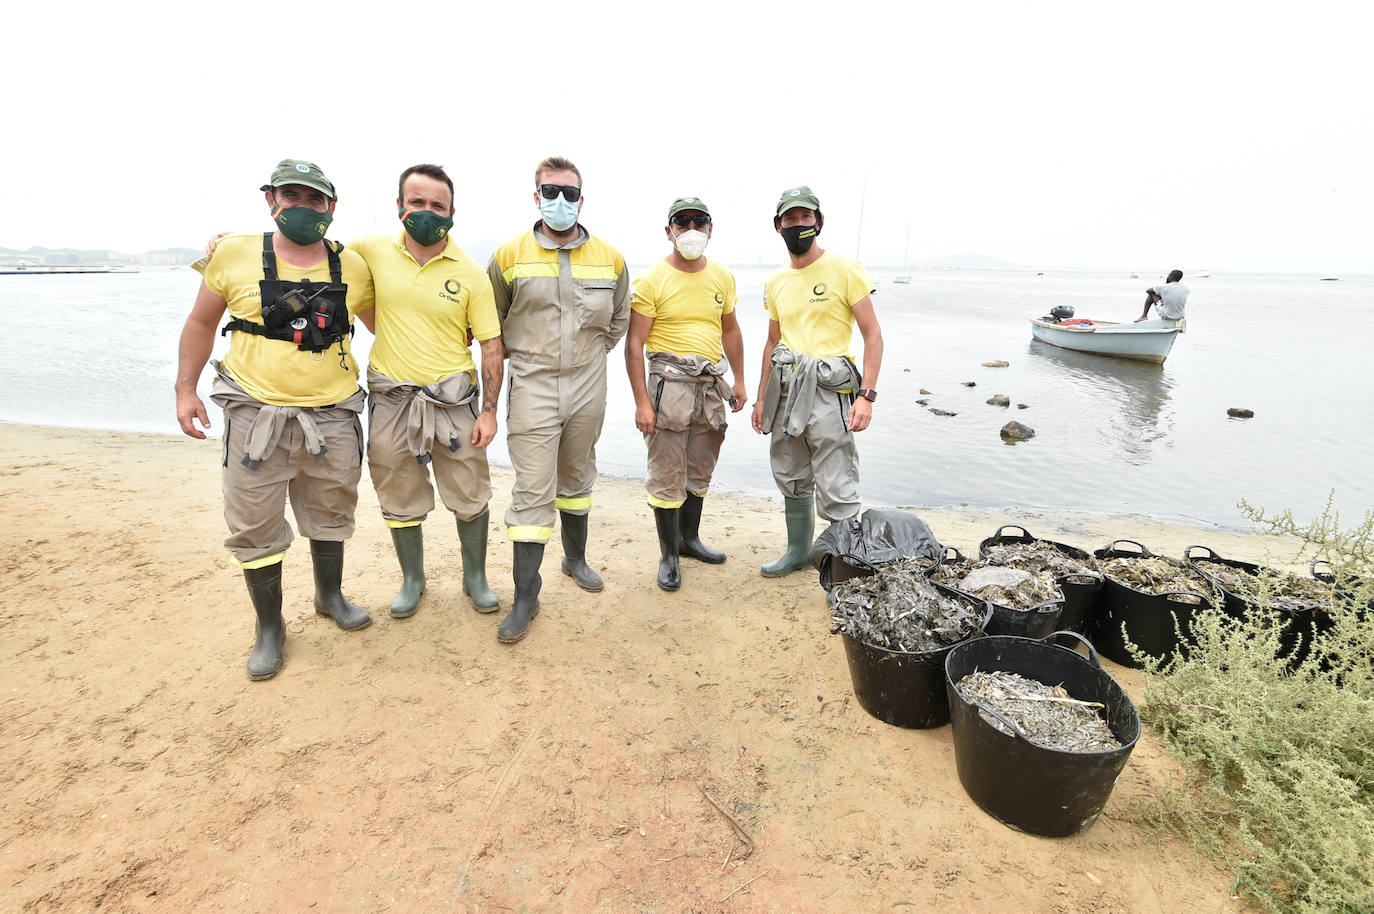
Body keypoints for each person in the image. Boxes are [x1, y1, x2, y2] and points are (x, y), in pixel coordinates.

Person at [175, 159, 376, 681]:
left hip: (333, 415)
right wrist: (185, 391)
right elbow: (200, 323)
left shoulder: (353, 264)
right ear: (271, 200)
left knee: (332, 509)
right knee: (255, 523)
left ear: (332, 207)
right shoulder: (235, 253)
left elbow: (389, 319)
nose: (303, 208)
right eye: (292, 197)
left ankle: (329, 596)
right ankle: (270, 627)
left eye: (315, 200)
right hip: (255, 415)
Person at [349, 164, 505, 620]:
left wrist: (490, 412)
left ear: (453, 212)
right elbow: (312, 251)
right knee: (397, 490)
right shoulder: (371, 250)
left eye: (438, 205)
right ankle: (412, 580)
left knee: (470, 491)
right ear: (400, 206)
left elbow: (492, 346)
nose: (427, 212)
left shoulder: (471, 273)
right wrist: (229, 241)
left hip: (453, 400)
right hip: (393, 400)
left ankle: (474, 578)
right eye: (417, 203)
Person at [487, 157, 630, 643]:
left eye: (570, 193)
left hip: (590, 384)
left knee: (577, 475)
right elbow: (493, 322)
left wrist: (589, 357)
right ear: (536, 196)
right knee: (531, 489)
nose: (561, 201)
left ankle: (575, 559)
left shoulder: (610, 258)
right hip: (533, 384)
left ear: (582, 199)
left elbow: (618, 321)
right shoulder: (508, 255)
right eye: (552, 191)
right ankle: (526, 596)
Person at [750, 185, 884, 578]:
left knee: (837, 481)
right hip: (786, 389)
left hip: (828, 388)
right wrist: (761, 400)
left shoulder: (845, 269)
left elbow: (872, 334)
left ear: (818, 223)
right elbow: (773, 341)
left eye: (805, 218)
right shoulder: (776, 282)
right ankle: (797, 552)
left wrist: (867, 396)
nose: (798, 225)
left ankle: (841, 573)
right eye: (790, 219)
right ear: (778, 226)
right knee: (791, 473)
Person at [626, 197, 747, 591]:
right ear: (669, 231)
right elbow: (635, 343)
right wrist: (643, 402)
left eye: (699, 222)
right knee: (666, 473)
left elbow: (730, 329)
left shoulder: (723, 278)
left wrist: (741, 379)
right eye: (683, 223)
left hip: (710, 387)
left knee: (699, 469)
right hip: (669, 388)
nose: (691, 229)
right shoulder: (651, 280)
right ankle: (669, 554)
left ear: (710, 229)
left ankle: (690, 539)